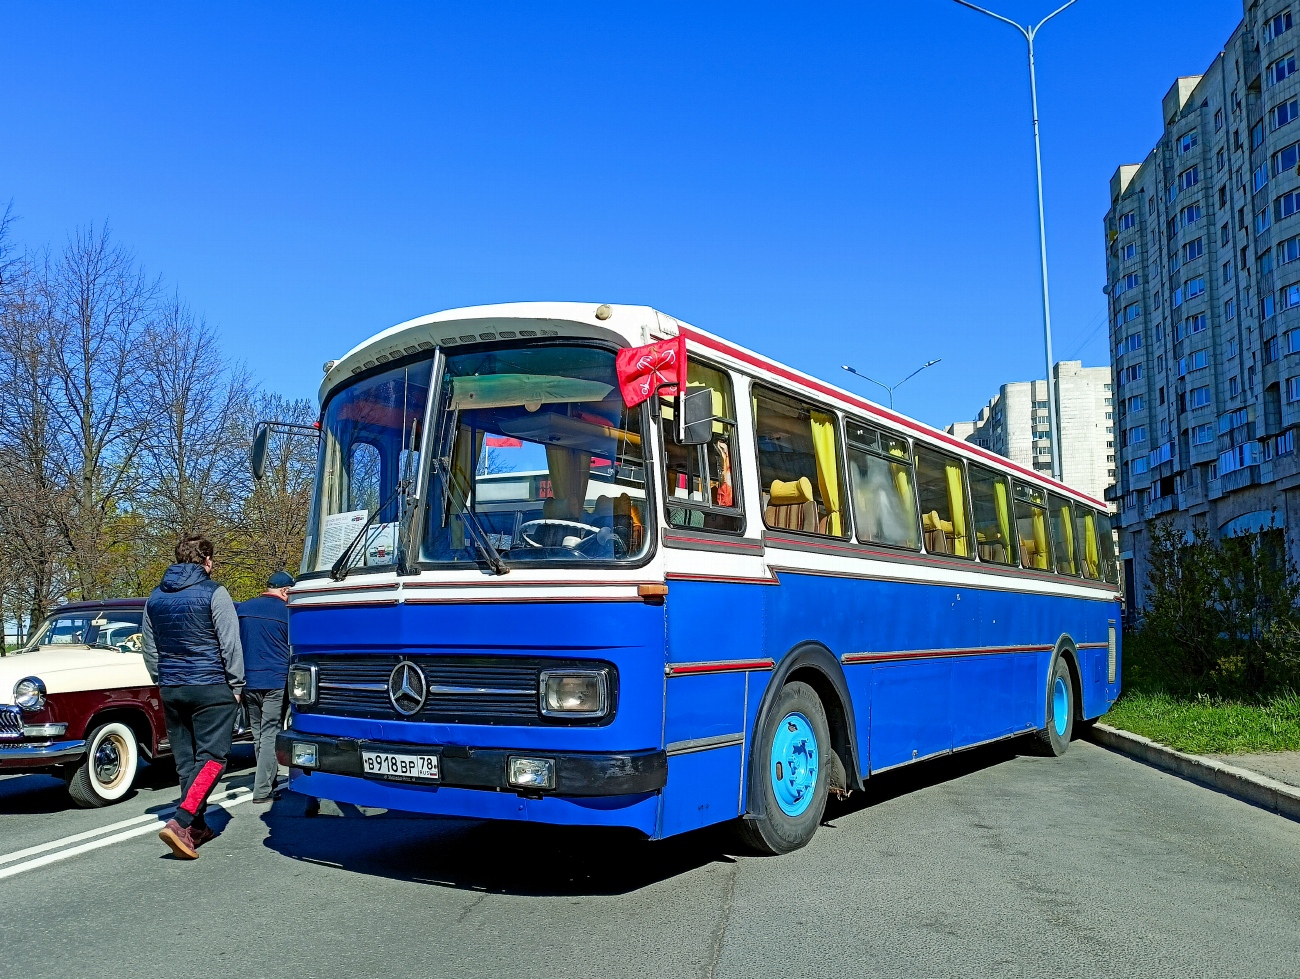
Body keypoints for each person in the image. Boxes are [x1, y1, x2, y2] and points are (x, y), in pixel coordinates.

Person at [142, 535, 244, 860]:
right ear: (206, 560)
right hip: (211, 686)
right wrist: (237, 684)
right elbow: (230, 642)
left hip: (171, 688)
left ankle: (196, 829)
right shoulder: (216, 592)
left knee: (187, 762)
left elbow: (149, 647)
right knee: (213, 759)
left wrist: (162, 680)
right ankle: (182, 821)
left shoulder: (155, 598)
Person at [237, 570, 293, 803]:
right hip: (275, 681)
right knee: (270, 734)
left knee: (259, 734)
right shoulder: (288, 613)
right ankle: (261, 791)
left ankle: (267, 783)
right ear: (285, 590)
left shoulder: (243, 610)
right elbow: (294, 650)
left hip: (248, 681)